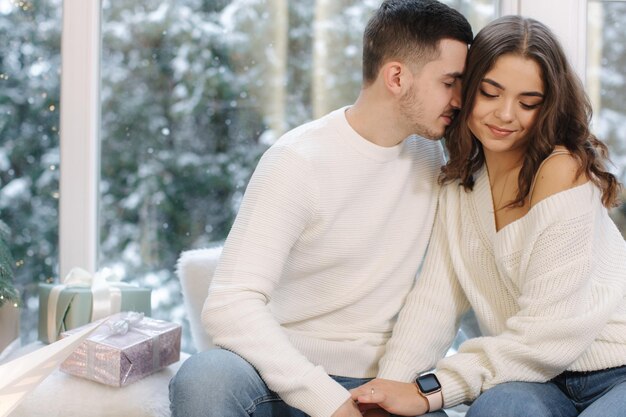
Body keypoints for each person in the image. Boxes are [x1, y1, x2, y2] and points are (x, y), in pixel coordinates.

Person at [168, 1, 472, 417]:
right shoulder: (298, 160)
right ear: (397, 77)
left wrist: (390, 387)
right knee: (205, 378)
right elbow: (229, 305)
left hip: (379, 382)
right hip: (278, 376)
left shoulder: (436, 160)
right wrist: (328, 403)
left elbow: (437, 295)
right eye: (450, 82)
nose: (460, 100)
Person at [350, 15, 626, 417]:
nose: (506, 115)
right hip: (528, 378)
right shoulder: (460, 182)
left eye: (528, 102)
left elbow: (551, 335)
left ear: (548, 106)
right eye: (490, 93)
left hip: (615, 370)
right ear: (466, 90)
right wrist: (390, 391)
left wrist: (430, 390)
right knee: (501, 410)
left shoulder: (563, 169)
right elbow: (436, 299)